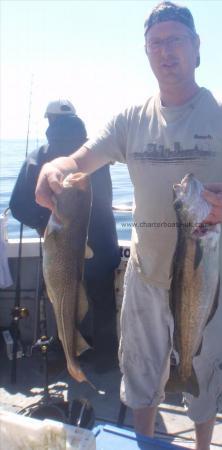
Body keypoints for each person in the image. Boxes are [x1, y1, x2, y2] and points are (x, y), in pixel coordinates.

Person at [35, 3, 222, 449]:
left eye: (176, 40)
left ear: (197, 48)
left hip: (208, 279)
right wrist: (56, 165)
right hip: (143, 278)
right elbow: (80, 160)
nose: (166, 51)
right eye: (156, 43)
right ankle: (145, 443)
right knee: (141, 373)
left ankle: (202, 444)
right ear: (146, 53)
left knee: (205, 374)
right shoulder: (130, 119)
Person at [10, 99, 121, 373]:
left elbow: (18, 206)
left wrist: (43, 224)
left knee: (60, 297)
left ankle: (64, 354)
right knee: (102, 301)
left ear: (49, 121)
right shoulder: (96, 153)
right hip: (102, 245)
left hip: (61, 245)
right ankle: (106, 358)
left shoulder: (40, 157)